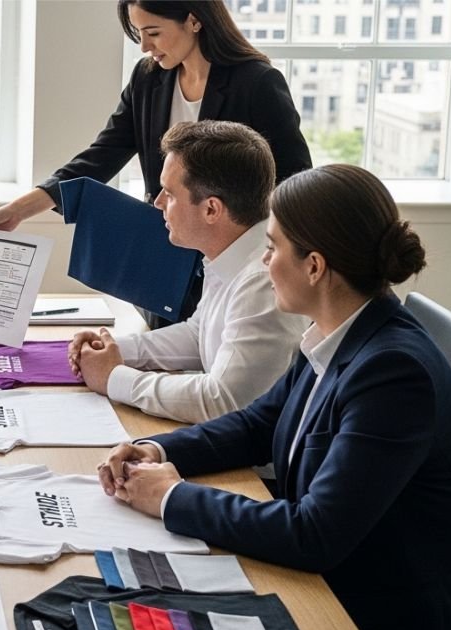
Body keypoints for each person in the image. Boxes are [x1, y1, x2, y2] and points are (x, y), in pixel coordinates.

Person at [97, 164, 451, 630]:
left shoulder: (394, 373)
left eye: (272, 246)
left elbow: (314, 535)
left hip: (384, 623)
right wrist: (156, 447)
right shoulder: (337, 329)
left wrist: (171, 498)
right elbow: (261, 424)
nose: (263, 262)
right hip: (334, 581)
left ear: (314, 266)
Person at [0, 0, 311, 327]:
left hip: (233, 259)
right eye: (138, 32)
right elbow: (102, 154)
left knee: (218, 367)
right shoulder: (148, 79)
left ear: (193, 20)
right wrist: (19, 209)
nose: (143, 46)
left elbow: (295, 180)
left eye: (153, 32)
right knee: (160, 356)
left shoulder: (257, 83)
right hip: (165, 254)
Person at [69, 121, 306, 424]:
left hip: (256, 470)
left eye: (169, 193)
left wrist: (114, 378)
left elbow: (222, 400)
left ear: (211, 209)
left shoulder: (263, 282)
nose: (157, 203)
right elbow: (199, 334)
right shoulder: (231, 253)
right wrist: (115, 350)